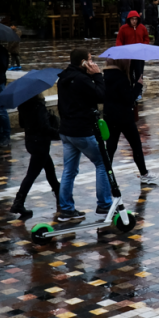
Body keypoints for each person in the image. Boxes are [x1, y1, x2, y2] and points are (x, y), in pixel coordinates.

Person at [56, 48, 111, 219]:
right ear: (83, 62)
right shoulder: (81, 79)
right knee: (102, 163)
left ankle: (66, 208)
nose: (93, 62)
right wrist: (97, 76)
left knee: (69, 171)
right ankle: (105, 204)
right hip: (81, 131)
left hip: (66, 131)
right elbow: (101, 95)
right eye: (90, 59)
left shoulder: (64, 77)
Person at [102, 58, 157, 185]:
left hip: (110, 116)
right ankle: (144, 173)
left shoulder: (105, 76)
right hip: (124, 118)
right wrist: (138, 85)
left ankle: (105, 176)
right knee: (136, 145)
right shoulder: (121, 78)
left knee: (110, 147)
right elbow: (129, 99)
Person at [9, 93, 60, 220]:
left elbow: (22, 123)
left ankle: (61, 197)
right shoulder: (39, 106)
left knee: (50, 170)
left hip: (31, 142)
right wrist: (59, 134)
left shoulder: (23, 104)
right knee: (31, 175)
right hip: (41, 144)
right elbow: (45, 127)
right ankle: (18, 203)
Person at [116, 10, 150, 89]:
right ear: (129, 19)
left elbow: (146, 39)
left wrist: (143, 46)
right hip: (128, 55)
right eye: (132, 19)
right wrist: (121, 49)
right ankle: (129, 88)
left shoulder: (142, 28)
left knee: (139, 73)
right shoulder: (123, 28)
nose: (134, 21)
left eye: (136, 19)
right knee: (128, 73)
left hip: (139, 55)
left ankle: (139, 90)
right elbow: (119, 40)